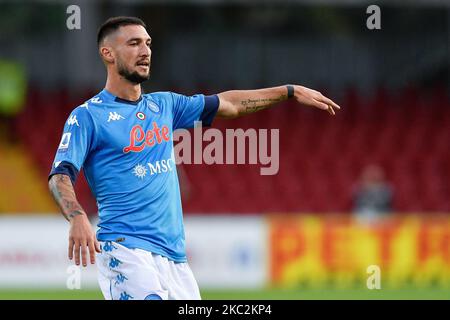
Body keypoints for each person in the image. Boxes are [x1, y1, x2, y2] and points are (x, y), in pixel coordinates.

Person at [48, 16, 340, 300]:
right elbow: (60, 175)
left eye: (148, 43)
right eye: (134, 43)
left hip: (174, 258)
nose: (146, 51)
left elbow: (228, 104)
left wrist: (288, 91)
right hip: (126, 250)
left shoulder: (165, 105)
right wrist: (77, 217)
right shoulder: (88, 116)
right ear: (108, 53)